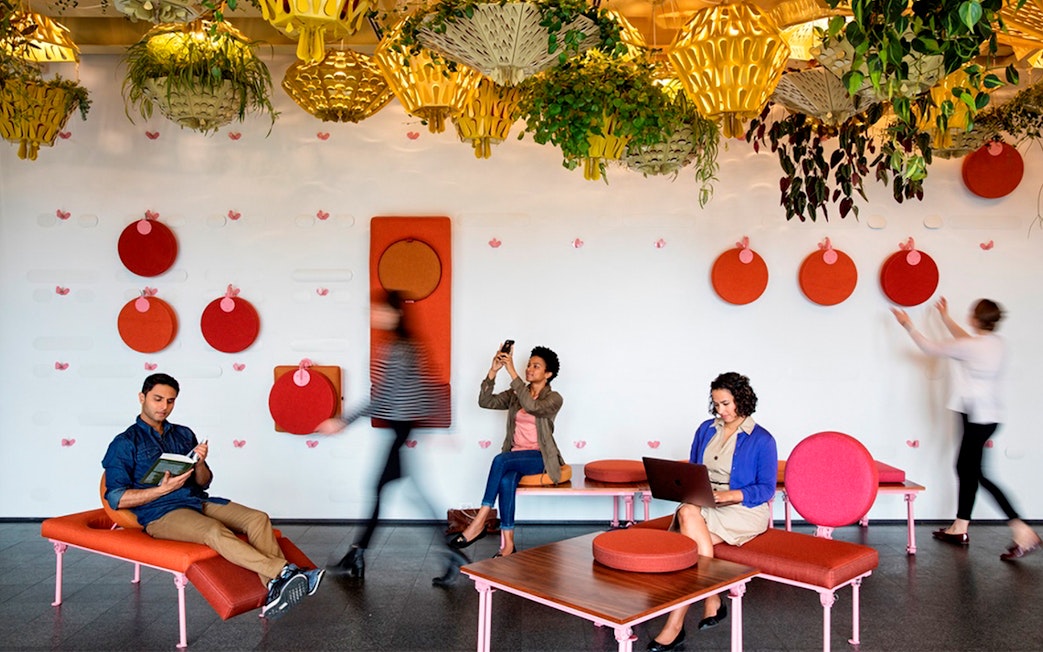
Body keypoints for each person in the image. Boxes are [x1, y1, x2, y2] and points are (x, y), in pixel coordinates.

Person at [102, 374, 323, 619]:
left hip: (196, 501)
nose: (164, 406)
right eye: (157, 399)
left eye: (170, 401)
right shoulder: (124, 443)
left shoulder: (183, 434)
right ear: (142, 397)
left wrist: (200, 462)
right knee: (213, 531)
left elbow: (204, 481)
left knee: (258, 518)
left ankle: (274, 588)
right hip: (161, 513)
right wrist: (161, 490)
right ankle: (284, 572)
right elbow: (116, 498)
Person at [316, 290, 452, 581]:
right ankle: (359, 555)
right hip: (402, 427)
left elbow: (381, 396)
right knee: (402, 490)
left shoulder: (398, 349)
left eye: (379, 310)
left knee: (381, 488)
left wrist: (342, 420)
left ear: (395, 314)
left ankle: (358, 555)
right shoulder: (405, 345)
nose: (373, 315)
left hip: (400, 427)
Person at [891, 297, 1041, 560]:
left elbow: (929, 348)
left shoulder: (973, 346)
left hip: (976, 417)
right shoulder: (996, 344)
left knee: (976, 473)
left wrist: (907, 325)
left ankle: (1022, 530)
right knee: (966, 469)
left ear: (975, 319)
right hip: (987, 416)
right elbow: (966, 343)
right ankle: (960, 526)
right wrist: (946, 319)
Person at [648, 372, 777, 652]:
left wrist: (729, 496)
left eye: (726, 403)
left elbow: (766, 489)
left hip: (743, 508)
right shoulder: (706, 429)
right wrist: (690, 488)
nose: (721, 410)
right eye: (716, 404)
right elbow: (693, 470)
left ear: (741, 399)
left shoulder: (762, 439)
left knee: (688, 534)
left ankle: (675, 627)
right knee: (688, 512)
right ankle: (713, 596)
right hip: (706, 503)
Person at [448, 343, 564, 558]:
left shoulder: (554, 398)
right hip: (516, 457)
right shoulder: (515, 394)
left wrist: (512, 370)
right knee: (506, 480)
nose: (529, 369)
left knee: (500, 460)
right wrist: (493, 371)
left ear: (548, 374)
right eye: (529, 365)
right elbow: (485, 401)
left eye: (536, 366)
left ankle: (479, 521)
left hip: (540, 458)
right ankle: (508, 545)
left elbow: (532, 407)